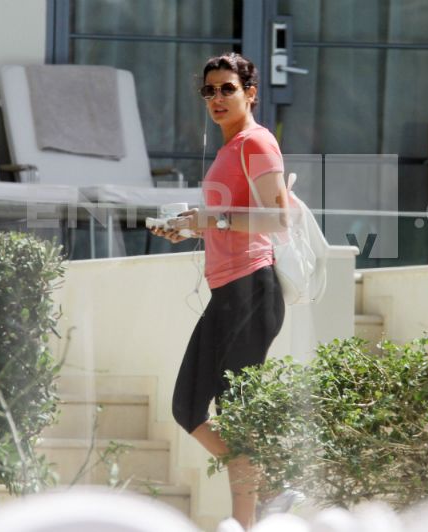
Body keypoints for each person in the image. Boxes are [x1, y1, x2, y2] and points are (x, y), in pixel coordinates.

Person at [150, 52, 288, 530]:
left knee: (232, 412)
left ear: (250, 93)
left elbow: (278, 218)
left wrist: (212, 219)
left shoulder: (257, 142)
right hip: (228, 293)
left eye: (227, 88)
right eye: (209, 91)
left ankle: (249, 518)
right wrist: (191, 226)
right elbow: (226, 221)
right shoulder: (230, 149)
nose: (217, 98)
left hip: (252, 289)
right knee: (188, 407)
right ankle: (270, 491)